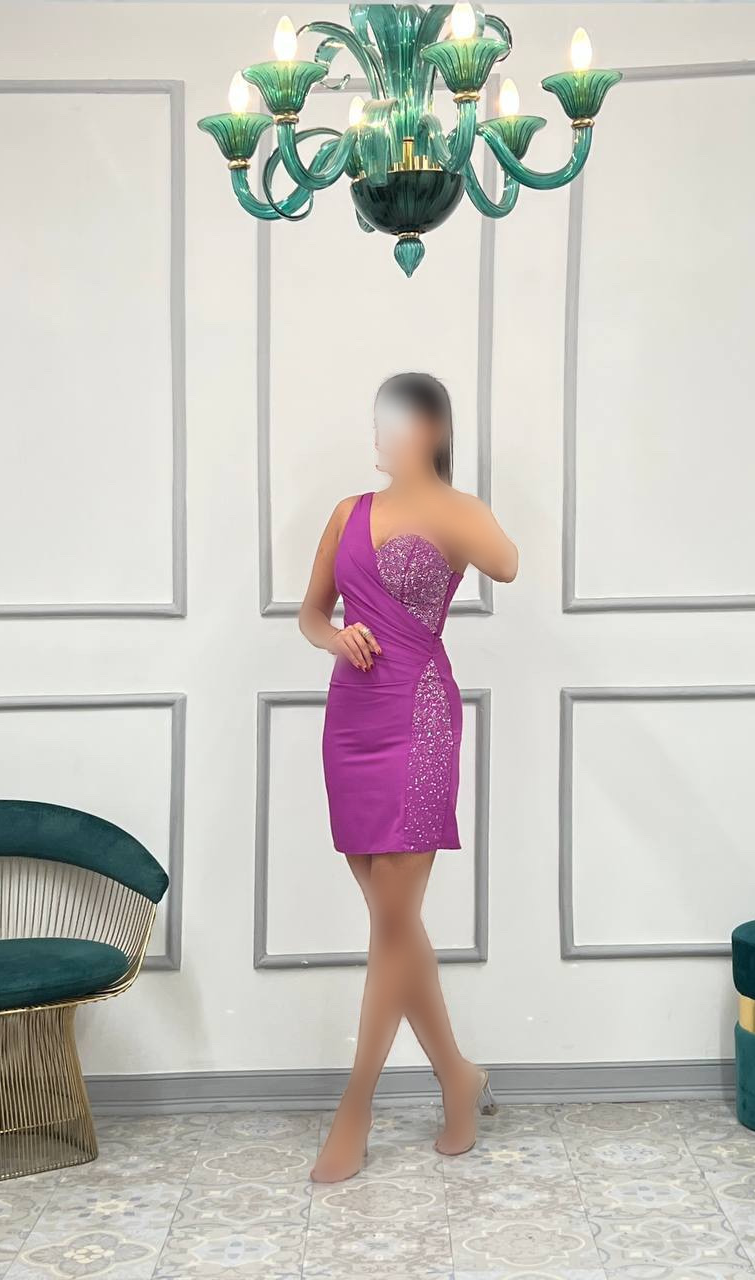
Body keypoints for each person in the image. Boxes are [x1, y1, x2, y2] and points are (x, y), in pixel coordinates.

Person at [298, 372, 518, 1182]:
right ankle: (458, 1077)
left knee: (391, 927)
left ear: (430, 430)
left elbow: (508, 563)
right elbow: (311, 614)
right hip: (351, 720)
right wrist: (334, 638)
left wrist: (451, 506)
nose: (378, 434)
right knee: (397, 926)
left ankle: (354, 1109)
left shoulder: (457, 511)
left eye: (392, 421)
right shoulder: (345, 514)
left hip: (420, 716)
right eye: (376, 420)